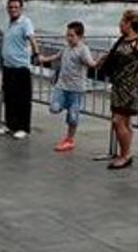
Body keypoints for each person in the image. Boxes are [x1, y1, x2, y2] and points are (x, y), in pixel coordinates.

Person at [93, 10, 138, 169]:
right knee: (124, 121)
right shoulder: (123, 40)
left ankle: (125, 155)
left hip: (131, 88)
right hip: (119, 85)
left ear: (129, 24)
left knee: (118, 120)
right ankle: (125, 152)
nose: (120, 25)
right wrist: (100, 62)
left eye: (122, 22)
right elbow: (113, 55)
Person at [39, 20, 97, 153]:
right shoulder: (66, 48)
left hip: (77, 89)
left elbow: (90, 63)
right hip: (62, 86)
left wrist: (100, 61)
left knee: (73, 117)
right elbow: (57, 56)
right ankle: (66, 106)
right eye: (67, 35)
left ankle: (69, 139)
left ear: (80, 37)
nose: (68, 38)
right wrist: (44, 59)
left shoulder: (83, 50)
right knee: (54, 108)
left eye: (71, 36)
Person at [0, 0, 39, 140]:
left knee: (23, 99)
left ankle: (23, 127)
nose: (13, 10)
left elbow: (32, 38)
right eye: (10, 7)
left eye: (15, 7)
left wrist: (36, 53)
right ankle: (10, 124)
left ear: (21, 8)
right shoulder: (9, 24)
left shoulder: (25, 22)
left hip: (21, 67)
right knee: (9, 97)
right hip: (8, 66)